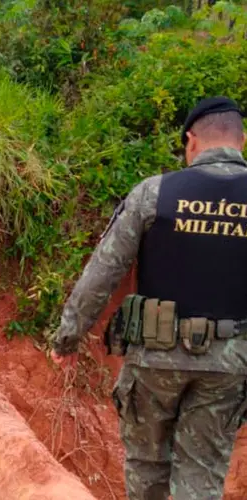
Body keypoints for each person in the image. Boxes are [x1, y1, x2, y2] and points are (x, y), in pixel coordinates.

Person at [50, 96, 247, 500]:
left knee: (146, 468)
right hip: (229, 362)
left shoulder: (155, 194)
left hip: (156, 358)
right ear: (242, 139)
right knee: (203, 478)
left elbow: (103, 271)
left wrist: (67, 338)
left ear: (191, 141)